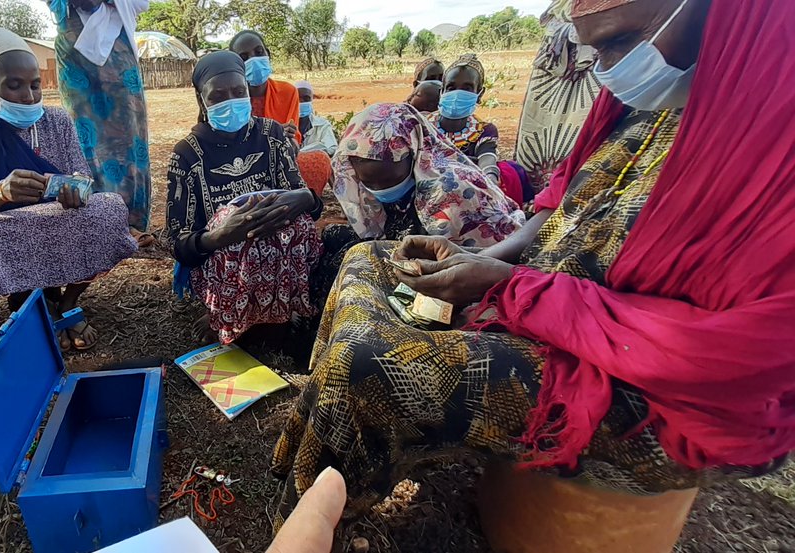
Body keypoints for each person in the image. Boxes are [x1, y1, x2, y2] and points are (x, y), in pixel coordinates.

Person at [274, 0, 795, 534]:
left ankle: (319, 522)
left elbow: (726, 358)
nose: (604, 67)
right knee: (364, 260)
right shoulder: (644, 104)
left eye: (618, 41)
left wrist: (514, 288)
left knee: (367, 366)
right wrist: (484, 260)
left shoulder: (774, 137)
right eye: (594, 48)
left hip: (648, 385)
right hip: (542, 296)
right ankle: (315, 436)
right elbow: (554, 204)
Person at [0, 27, 136, 350]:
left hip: (55, 220)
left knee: (110, 205)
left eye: (35, 85)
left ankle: (68, 300)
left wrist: (76, 190)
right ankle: (28, 303)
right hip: (6, 227)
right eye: (13, 86)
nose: (29, 97)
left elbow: (84, 182)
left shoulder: (57, 121)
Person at [167, 51, 324, 344]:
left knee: (297, 225)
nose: (231, 101)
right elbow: (177, 242)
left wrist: (304, 198)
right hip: (222, 261)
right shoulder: (187, 154)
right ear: (202, 100)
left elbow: (311, 208)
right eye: (218, 96)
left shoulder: (271, 135)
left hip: (277, 254)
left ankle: (278, 313)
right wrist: (219, 235)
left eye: (238, 92)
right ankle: (228, 314)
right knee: (238, 231)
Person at [313, 102, 523, 306]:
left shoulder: (452, 192)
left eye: (387, 181)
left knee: (351, 268)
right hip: (409, 238)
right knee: (333, 239)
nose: (379, 189)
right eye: (369, 183)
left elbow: (451, 265)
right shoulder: (358, 174)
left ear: (414, 154)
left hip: (467, 267)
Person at [48, 0, 155, 244]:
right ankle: (97, 221)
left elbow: (142, 3)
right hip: (73, 42)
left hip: (117, 43)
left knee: (130, 134)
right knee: (85, 136)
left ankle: (130, 223)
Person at [514, 0, 602, 190]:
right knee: (538, 127)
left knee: (583, 129)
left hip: (592, 72)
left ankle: (566, 195)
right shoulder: (561, 7)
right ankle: (536, 194)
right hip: (552, 75)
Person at [426, 54, 534, 207]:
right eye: (451, 87)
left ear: (479, 94)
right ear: (441, 91)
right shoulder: (423, 125)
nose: (458, 93)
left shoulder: (484, 130)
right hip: (429, 185)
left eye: (467, 88)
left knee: (511, 173)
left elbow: (487, 158)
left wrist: (490, 179)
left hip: (469, 188)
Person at [229, 31, 302, 149]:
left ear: (268, 54)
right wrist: (273, 134)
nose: (253, 59)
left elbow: (293, 141)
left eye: (258, 52)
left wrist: (286, 137)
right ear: (235, 65)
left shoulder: (287, 92)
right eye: (244, 57)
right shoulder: (230, 101)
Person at [293, 80, 337, 196]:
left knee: (325, 161)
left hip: (313, 169)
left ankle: (342, 201)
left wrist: (303, 153)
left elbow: (332, 148)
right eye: (298, 99)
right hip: (291, 170)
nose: (302, 102)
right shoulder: (284, 124)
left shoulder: (321, 124)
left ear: (312, 100)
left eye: (306, 98)